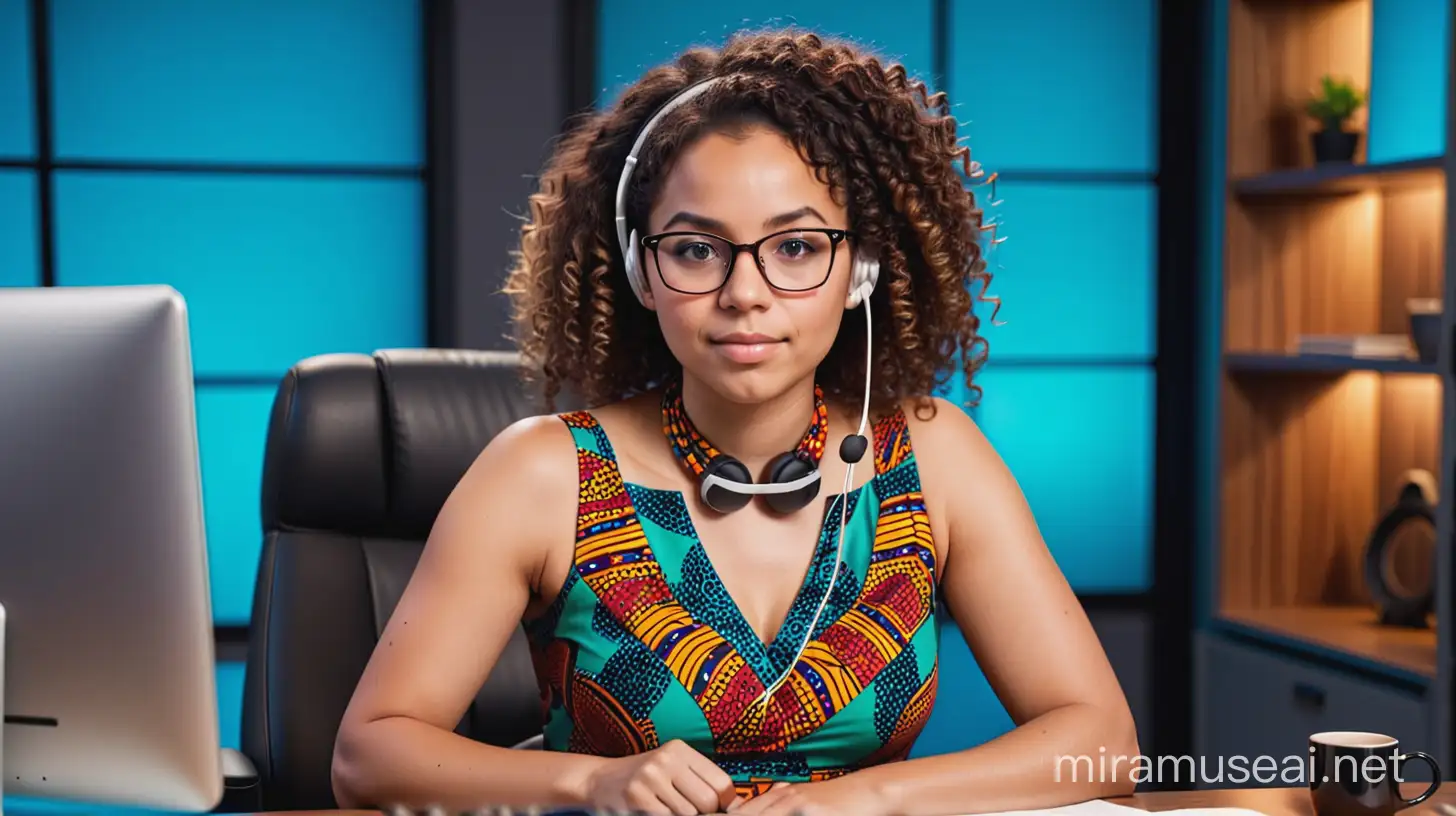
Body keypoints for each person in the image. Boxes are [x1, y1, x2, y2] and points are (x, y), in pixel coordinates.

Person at [330, 28, 1139, 816]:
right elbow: (369, 753)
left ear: (856, 269)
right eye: (695, 249)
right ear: (643, 268)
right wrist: (588, 783)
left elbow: (1101, 740)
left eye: (794, 248)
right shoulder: (543, 473)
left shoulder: (935, 458)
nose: (744, 292)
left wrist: (872, 799)